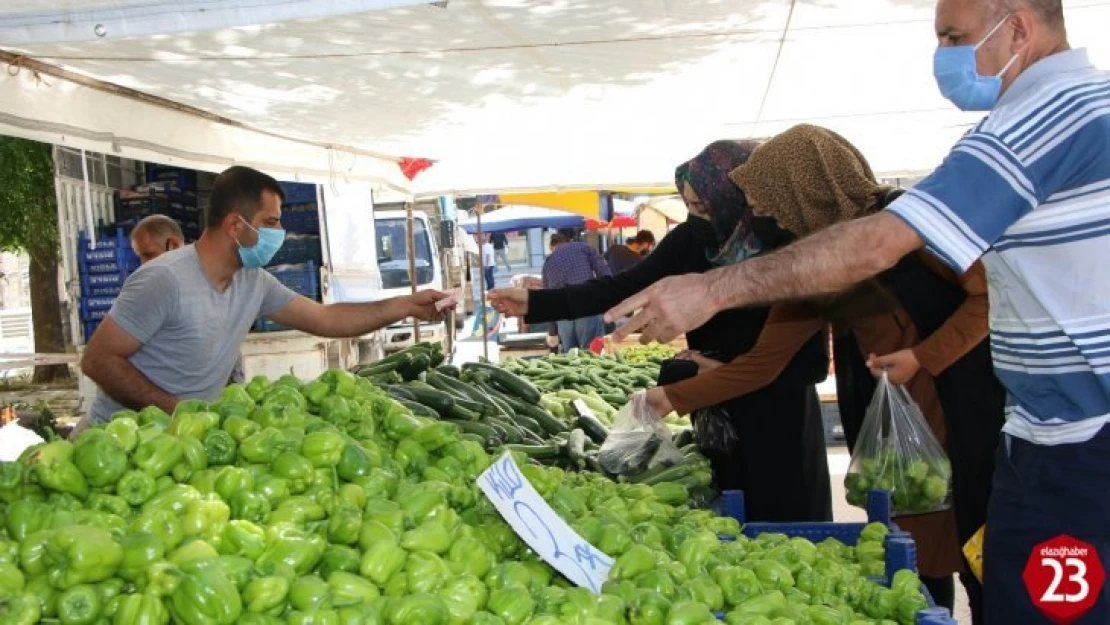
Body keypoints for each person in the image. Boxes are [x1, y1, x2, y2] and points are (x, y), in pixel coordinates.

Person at [607, 2, 1109, 621]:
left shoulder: (1044, 119)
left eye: (953, 37)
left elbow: (885, 250)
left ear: (1018, 28)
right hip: (1025, 431)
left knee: (1019, 585)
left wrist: (711, 291)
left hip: (1045, 432)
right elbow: (771, 351)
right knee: (970, 570)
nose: (943, 59)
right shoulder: (1057, 115)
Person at [639, 125, 1005, 617]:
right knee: (916, 546)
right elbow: (763, 362)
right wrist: (672, 398)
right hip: (891, 419)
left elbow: (993, 299)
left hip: (956, 407)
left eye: (770, 202)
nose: (762, 216)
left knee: (983, 547)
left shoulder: (910, 230)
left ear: (806, 190)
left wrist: (924, 356)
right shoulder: (814, 270)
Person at [491, 141, 832, 523]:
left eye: (704, 207)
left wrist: (709, 374)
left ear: (737, 199)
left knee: (786, 518)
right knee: (727, 509)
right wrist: (536, 303)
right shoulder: (691, 240)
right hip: (714, 409)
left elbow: (810, 364)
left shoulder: (786, 250)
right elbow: (623, 287)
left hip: (776, 416)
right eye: (688, 206)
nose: (696, 218)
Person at [77, 165, 446, 430]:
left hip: (178, 443)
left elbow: (327, 319)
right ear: (236, 225)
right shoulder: (163, 279)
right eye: (271, 222)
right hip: (114, 441)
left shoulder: (252, 281)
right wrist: (177, 410)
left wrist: (407, 305)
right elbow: (97, 360)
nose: (280, 232)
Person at [126, 214, 249, 388]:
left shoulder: (209, 278)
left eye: (148, 255)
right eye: (140, 257)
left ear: (174, 245)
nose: (143, 264)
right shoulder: (153, 286)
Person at [538, 232, 612, 352]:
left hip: (563, 314)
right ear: (569, 241)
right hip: (586, 306)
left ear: (552, 247)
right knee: (592, 353)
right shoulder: (583, 247)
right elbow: (605, 275)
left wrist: (552, 331)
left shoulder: (548, 262)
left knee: (571, 357)